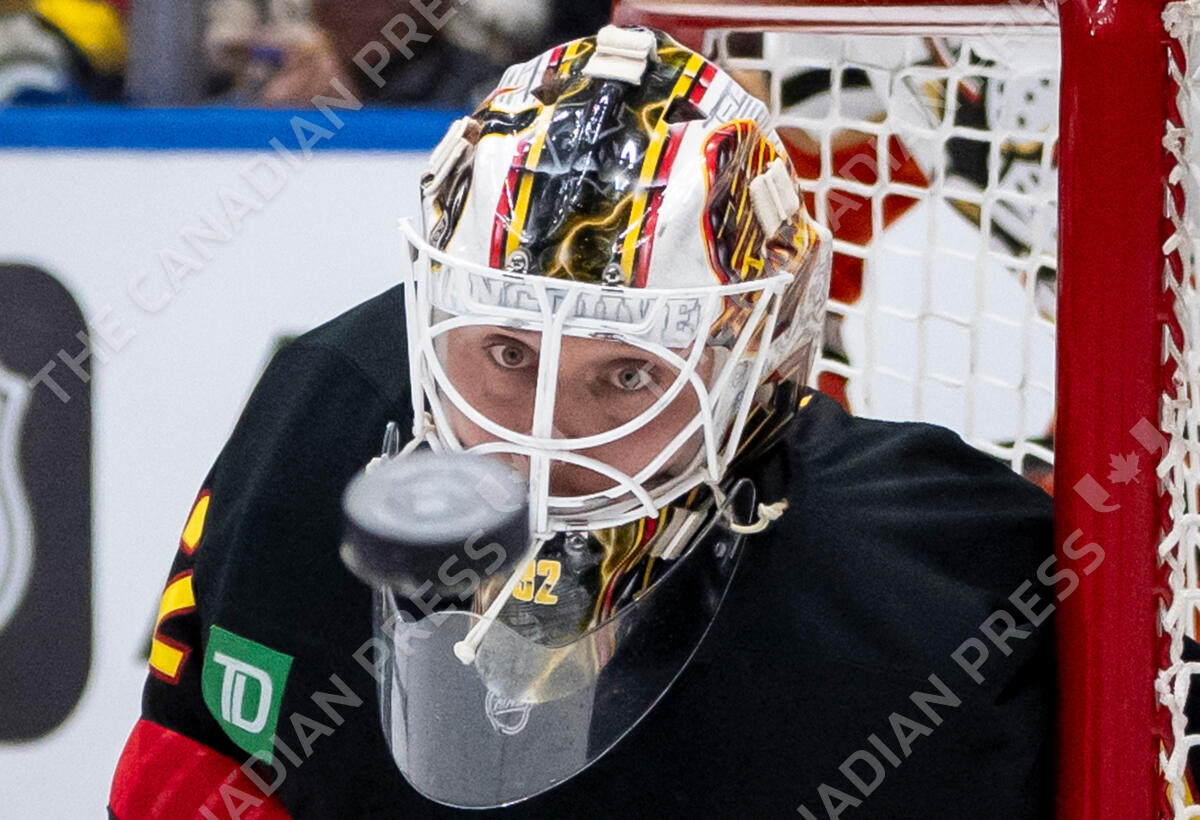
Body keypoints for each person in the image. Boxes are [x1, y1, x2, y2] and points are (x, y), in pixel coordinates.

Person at [109, 25, 1054, 819]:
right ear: (435, 318)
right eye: (508, 355)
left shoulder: (933, 604)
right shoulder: (316, 435)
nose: (543, 446)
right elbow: (193, 777)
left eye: (628, 374)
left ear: (750, 368)